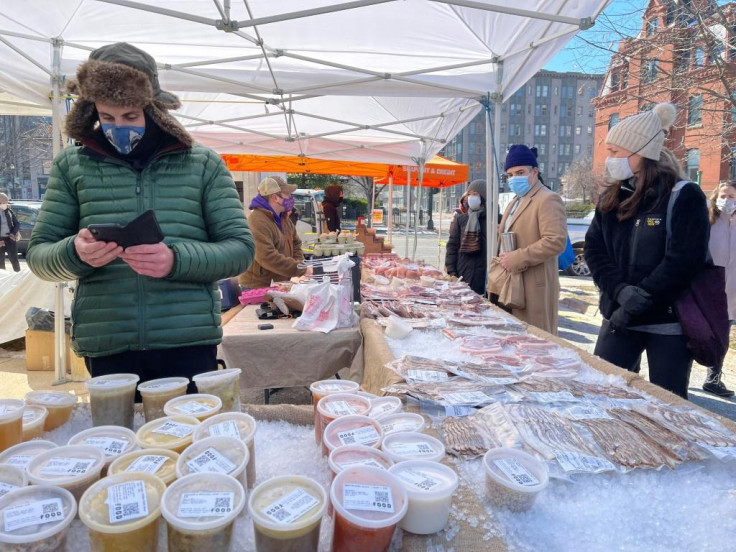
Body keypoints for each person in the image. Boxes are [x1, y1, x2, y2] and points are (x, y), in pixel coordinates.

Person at [27, 42, 255, 386]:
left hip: (187, 341)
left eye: (131, 116)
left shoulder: (203, 164)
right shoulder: (71, 165)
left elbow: (240, 249)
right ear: (92, 111)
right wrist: (75, 252)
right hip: (109, 345)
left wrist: (175, 260)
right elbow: (39, 255)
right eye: (107, 117)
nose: (119, 126)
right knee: (122, 433)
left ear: (154, 109)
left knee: (189, 435)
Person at [584, 103, 709, 400]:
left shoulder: (684, 195)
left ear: (641, 152)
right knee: (601, 396)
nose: (609, 159)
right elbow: (594, 249)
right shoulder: (612, 196)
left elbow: (683, 262)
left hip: (667, 324)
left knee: (667, 405)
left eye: (615, 152)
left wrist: (636, 304)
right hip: (617, 318)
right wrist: (619, 291)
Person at [494, 145, 567, 334]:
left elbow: (555, 240)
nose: (513, 178)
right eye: (509, 175)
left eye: (520, 172)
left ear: (534, 171)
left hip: (534, 286)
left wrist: (518, 257)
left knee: (535, 340)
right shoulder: (514, 201)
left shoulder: (547, 199)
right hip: (512, 282)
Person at [239, 177, 308, 288]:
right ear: (275, 197)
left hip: (279, 283)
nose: (290, 198)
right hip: (257, 286)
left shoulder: (284, 218)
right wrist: (299, 269)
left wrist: (299, 264)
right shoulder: (257, 221)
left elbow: (296, 243)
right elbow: (267, 257)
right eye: (287, 194)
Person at [702, 181, 736, 396]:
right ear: (716, 196)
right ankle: (680, 375)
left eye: (732, 196)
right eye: (724, 195)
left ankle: (713, 378)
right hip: (707, 287)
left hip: (732, 291)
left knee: (722, 336)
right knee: (696, 332)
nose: (728, 200)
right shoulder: (707, 219)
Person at [445, 180, 487, 295]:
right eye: (469, 194)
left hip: (484, 275)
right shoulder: (462, 219)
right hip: (463, 271)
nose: (471, 197)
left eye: (475, 194)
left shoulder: (495, 220)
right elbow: (452, 246)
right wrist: (451, 271)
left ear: (484, 197)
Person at [0, 193, 21, 272]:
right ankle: (2, 280)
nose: (6, 204)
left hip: (10, 239)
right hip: (0, 240)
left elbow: (17, 224)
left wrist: (13, 233)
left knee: (14, 259)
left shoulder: (9, 211)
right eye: (5, 202)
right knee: (1, 262)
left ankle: (18, 275)